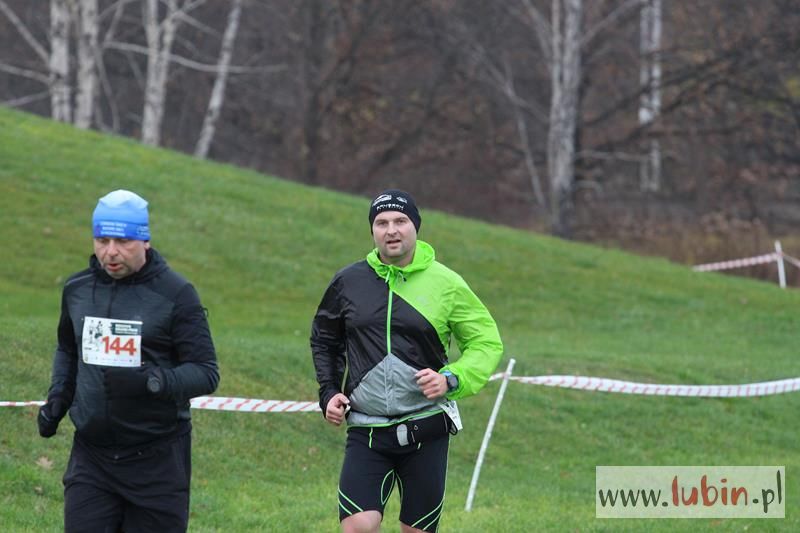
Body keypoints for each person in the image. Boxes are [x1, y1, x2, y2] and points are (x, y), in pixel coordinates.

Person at [311, 189, 503, 532]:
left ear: (416, 226)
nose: (391, 230)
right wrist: (329, 392)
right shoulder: (348, 282)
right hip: (367, 429)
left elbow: (485, 343)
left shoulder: (446, 283)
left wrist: (451, 378)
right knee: (358, 526)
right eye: (382, 223)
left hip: (425, 427)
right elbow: (326, 340)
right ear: (372, 231)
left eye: (400, 221)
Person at [37, 189, 220, 532]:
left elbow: (206, 373)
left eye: (122, 241)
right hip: (92, 458)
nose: (110, 252)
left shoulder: (177, 294)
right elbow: (68, 349)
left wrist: (152, 381)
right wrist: (59, 396)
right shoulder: (77, 289)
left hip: (157, 460)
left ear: (145, 241)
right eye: (102, 240)